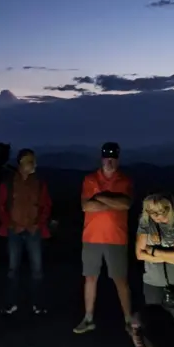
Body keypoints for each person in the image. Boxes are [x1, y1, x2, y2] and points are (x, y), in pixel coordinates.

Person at [74, 142, 134, 334]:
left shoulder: (124, 180)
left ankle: (128, 320)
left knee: (120, 280)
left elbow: (126, 203)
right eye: (107, 157)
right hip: (91, 237)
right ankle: (88, 318)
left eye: (113, 157)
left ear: (118, 158)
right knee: (90, 278)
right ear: (101, 158)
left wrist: (100, 197)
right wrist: (112, 202)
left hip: (116, 237)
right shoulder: (90, 179)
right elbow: (86, 206)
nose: (110, 161)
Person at [0, 148, 52, 315]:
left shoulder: (40, 183)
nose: (34, 164)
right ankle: (11, 303)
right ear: (21, 163)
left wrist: (38, 224)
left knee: (37, 269)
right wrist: (10, 224)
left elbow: (46, 205)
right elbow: (0, 205)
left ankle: (37, 304)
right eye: (30, 161)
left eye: (33, 160)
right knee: (13, 269)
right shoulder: (9, 183)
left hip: (33, 230)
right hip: (15, 230)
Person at [135, 193, 174, 331]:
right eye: (151, 212)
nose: (156, 216)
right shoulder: (145, 221)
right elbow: (139, 254)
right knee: (153, 326)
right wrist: (170, 255)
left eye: (161, 212)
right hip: (153, 282)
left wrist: (153, 251)